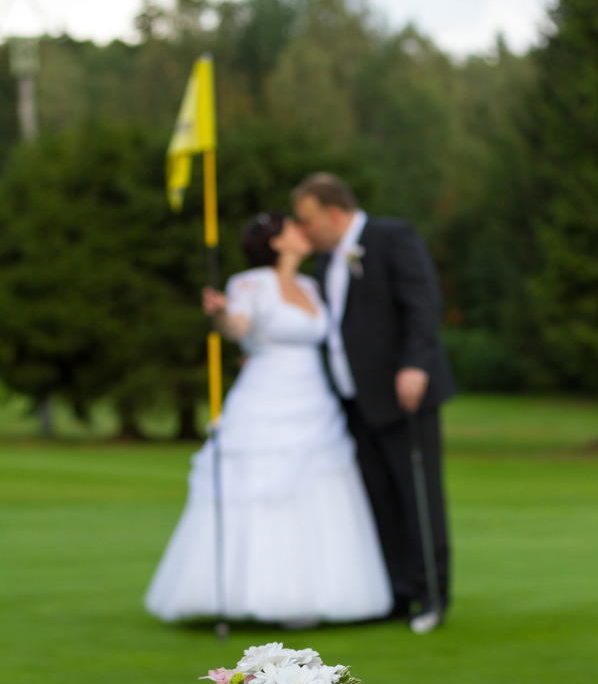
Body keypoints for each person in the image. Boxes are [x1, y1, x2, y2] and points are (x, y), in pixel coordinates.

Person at [144, 212, 392, 626]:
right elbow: (237, 327)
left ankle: (317, 593)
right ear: (276, 241)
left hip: (314, 399)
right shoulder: (249, 284)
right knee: (259, 488)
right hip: (264, 397)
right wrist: (220, 313)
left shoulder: (310, 285)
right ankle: (247, 592)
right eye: (293, 226)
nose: (302, 230)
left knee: (319, 485)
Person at [292, 173, 456, 634]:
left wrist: (416, 364)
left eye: (308, 220)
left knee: (417, 495)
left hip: (404, 394)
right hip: (354, 402)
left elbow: (421, 304)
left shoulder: (390, 237)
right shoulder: (325, 265)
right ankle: (397, 593)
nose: (304, 231)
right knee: (378, 500)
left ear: (334, 213)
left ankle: (432, 595)